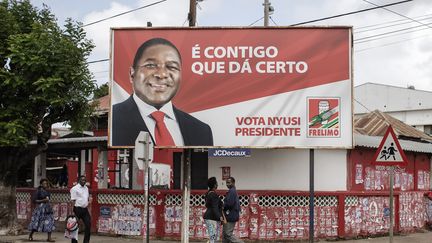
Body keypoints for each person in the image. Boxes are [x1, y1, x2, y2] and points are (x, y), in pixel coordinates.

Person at [111, 37, 213, 147]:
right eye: (150, 65)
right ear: (132, 74)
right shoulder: (113, 120)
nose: (162, 74)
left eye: (171, 67)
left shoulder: (201, 131)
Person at [70, 175, 91, 243]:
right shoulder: (74, 188)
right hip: (77, 209)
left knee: (88, 224)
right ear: (79, 180)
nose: (84, 181)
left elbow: (87, 198)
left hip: (85, 209)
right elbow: (72, 200)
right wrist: (73, 211)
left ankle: (86, 241)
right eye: (82, 180)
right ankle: (74, 241)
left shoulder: (86, 188)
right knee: (75, 226)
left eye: (85, 180)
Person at [222, 177, 243, 243]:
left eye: (229, 182)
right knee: (225, 235)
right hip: (230, 215)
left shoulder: (232, 191)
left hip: (230, 215)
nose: (227, 184)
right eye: (226, 183)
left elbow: (229, 204)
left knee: (228, 234)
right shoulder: (232, 191)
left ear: (233, 183)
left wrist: (223, 206)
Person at [203, 177, 224, 243]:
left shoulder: (208, 193)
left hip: (210, 218)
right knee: (213, 238)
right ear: (214, 185)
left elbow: (207, 205)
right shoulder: (213, 195)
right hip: (212, 218)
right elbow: (215, 207)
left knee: (214, 238)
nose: (217, 184)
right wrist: (220, 217)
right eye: (217, 183)